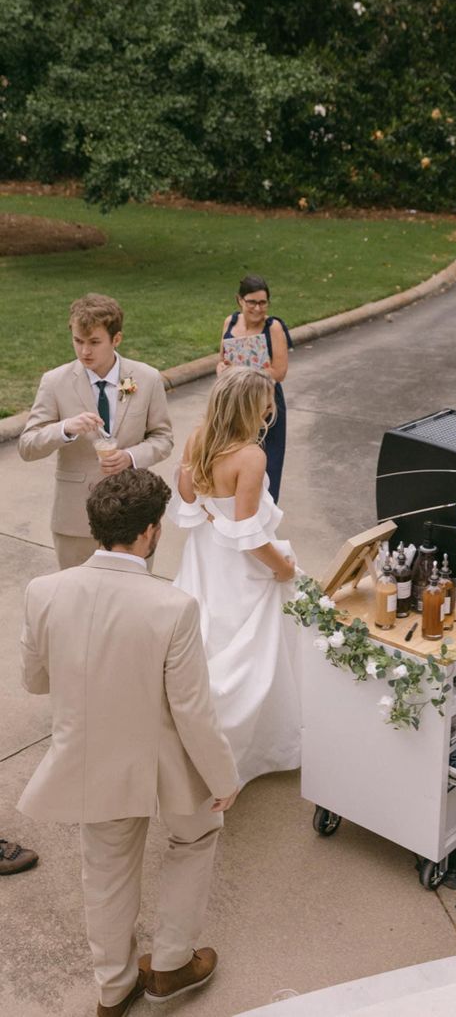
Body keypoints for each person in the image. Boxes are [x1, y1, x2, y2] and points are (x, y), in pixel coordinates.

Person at [18, 469, 239, 1016]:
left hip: (92, 759)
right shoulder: (173, 606)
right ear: (147, 534)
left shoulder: (43, 591)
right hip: (166, 762)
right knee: (194, 839)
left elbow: (34, 680)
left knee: (107, 873)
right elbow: (192, 710)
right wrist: (223, 777)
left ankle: (114, 990)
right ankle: (169, 964)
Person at [168, 366, 302, 790]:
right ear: (250, 407)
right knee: (251, 653)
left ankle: (190, 738)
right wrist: (282, 568)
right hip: (240, 564)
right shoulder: (251, 456)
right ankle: (239, 748)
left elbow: (188, 498)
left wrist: (205, 498)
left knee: (204, 638)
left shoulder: (198, 437)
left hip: (205, 555)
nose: (270, 410)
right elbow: (248, 534)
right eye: (266, 403)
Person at [18, 293, 174, 569]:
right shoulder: (55, 382)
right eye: (78, 341)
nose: (84, 351)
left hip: (133, 515)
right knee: (77, 602)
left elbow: (163, 438)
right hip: (76, 519)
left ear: (116, 339)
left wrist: (130, 457)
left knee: (132, 600)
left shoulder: (147, 378)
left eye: (94, 342)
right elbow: (28, 446)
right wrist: (65, 428)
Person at [217, 274, 291, 502]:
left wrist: (245, 371)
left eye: (263, 302)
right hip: (234, 402)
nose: (258, 308)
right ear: (240, 300)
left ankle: (264, 512)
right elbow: (222, 359)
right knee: (233, 453)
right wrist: (221, 368)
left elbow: (279, 372)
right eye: (252, 302)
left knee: (268, 459)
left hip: (265, 403)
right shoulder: (230, 322)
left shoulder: (273, 327)